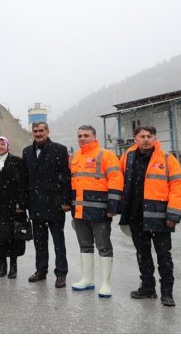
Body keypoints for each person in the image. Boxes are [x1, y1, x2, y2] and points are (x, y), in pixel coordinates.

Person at [119, 125, 181, 307]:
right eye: (142, 136)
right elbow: (119, 180)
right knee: (143, 253)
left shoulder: (167, 159)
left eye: (150, 136)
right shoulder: (127, 157)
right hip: (136, 215)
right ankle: (148, 287)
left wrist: (173, 213)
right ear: (135, 139)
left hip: (161, 216)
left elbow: (178, 186)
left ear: (155, 139)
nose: (146, 139)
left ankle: (167, 293)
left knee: (164, 255)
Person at [69, 125, 123, 298]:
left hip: (100, 211)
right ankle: (88, 279)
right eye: (79, 136)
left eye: (86, 135)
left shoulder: (106, 155)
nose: (82, 138)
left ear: (94, 137)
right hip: (79, 211)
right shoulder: (76, 156)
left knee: (104, 247)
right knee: (85, 245)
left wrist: (113, 207)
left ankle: (106, 283)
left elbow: (115, 180)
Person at [22, 121, 71, 288]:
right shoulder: (27, 151)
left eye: (41, 130)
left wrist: (66, 200)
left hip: (55, 204)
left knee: (58, 241)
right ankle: (41, 271)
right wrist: (24, 202)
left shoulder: (60, 150)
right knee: (40, 241)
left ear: (47, 131)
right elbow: (25, 179)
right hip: (35, 204)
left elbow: (65, 177)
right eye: (35, 131)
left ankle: (61, 273)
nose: (38, 133)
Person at [0, 136, 28, 279]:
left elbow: (23, 185)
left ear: (8, 146)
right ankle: (2, 264)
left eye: (3, 144)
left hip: (14, 206)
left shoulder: (17, 162)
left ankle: (13, 265)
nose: (0, 146)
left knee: (14, 235)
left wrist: (21, 203)